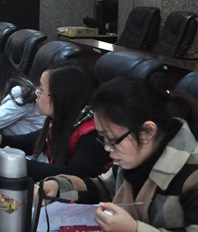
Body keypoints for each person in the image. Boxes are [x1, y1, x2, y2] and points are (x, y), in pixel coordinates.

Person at [41, 77, 198, 232]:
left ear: (147, 132)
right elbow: (102, 187)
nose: (107, 148)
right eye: (103, 139)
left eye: (112, 140)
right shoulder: (136, 156)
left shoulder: (192, 175)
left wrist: (134, 229)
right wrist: (58, 186)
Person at [0, 61, 110, 180]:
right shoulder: (66, 118)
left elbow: (74, 176)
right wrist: (1, 140)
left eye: (41, 90)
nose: (36, 93)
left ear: (61, 97)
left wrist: (20, 163)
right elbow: (36, 140)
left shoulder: (92, 132)